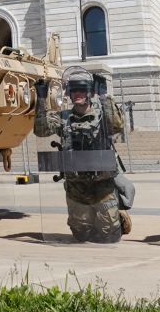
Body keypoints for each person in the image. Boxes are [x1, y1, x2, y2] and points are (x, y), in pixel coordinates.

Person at [34, 66, 133, 242]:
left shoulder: (101, 114)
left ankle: (116, 214)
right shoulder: (63, 118)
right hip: (76, 185)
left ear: (90, 93)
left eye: (82, 90)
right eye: (73, 90)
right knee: (81, 234)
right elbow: (41, 130)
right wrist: (41, 99)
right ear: (69, 94)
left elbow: (116, 125)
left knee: (109, 235)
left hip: (102, 184)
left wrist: (104, 96)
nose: (77, 94)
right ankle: (92, 217)